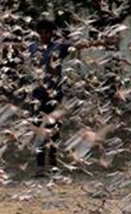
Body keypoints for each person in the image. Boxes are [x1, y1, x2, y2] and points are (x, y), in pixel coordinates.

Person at [25, 19, 116, 177]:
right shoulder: (33, 47)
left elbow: (81, 44)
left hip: (54, 95)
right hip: (37, 96)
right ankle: (40, 167)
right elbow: (14, 46)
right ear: (38, 33)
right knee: (39, 130)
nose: (44, 35)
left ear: (52, 33)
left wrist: (103, 42)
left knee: (53, 131)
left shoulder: (59, 47)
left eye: (47, 32)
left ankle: (53, 165)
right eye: (41, 32)